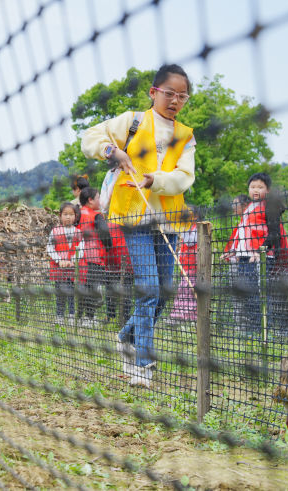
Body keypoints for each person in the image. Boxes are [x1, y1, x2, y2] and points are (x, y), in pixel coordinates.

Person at [82, 63, 196, 388]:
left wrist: (155, 181)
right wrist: (111, 150)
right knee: (148, 289)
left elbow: (184, 177)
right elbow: (91, 136)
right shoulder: (132, 121)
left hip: (169, 221)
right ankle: (141, 366)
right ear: (153, 92)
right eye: (169, 94)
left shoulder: (186, 135)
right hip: (134, 217)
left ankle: (126, 335)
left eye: (182, 96)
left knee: (164, 292)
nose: (175, 101)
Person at [223, 172, 288, 335]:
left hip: (261, 257)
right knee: (247, 293)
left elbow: (274, 233)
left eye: (260, 187)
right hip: (244, 257)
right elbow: (242, 232)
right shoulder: (249, 208)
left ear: (267, 190)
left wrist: (262, 250)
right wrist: (232, 250)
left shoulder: (269, 206)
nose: (255, 190)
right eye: (252, 187)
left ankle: (263, 330)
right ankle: (253, 328)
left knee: (258, 293)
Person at [77, 187, 111, 327]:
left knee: (82, 287)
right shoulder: (96, 216)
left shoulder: (76, 214)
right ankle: (90, 318)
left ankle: (79, 317)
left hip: (79, 256)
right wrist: (108, 246)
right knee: (93, 288)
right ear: (90, 200)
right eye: (98, 197)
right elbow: (105, 236)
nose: (100, 200)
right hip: (95, 257)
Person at [47, 202, 79, 325]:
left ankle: (71, 315)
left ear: (75, 216)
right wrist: (59, 260)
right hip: (59, 269)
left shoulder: (78, 232)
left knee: (72, 292)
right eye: (65, 214)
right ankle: (59, 315)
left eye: (71, 214)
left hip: (72, 269)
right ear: (60, 216)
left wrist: (74, 261)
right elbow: (50, 248)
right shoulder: (55, 231)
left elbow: (81, 249)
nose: (68, 217)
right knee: (60, 293)